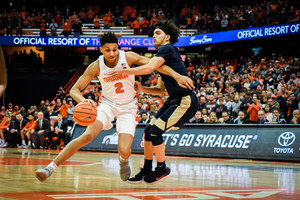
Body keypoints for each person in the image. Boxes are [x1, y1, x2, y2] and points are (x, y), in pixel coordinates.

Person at [35, 32, 192, 183]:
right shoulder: (96, 66)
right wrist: (83, 100)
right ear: (101, 49)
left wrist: (177, 75)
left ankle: (123, 160)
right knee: (87, 135)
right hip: (107, 105)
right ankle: (50, 168)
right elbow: (74, 90)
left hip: (129, 107)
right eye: (108, 50)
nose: (112, 53)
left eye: (115, 49)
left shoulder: (128, 57)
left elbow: (156, 65)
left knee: (124, 150)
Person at [108, 19, 199, 184]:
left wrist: (123, 70)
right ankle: (147, 169)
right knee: (149, 131)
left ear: (167, 37)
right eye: (153, 33)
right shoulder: (165, 56)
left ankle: (162, 169)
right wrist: (142, 89)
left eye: (158, 33)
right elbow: (161, 91)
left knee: (155, 132)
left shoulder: (167, 48)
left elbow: (148, 68)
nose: (153, 36)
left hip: (185, 101)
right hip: (174, 100)